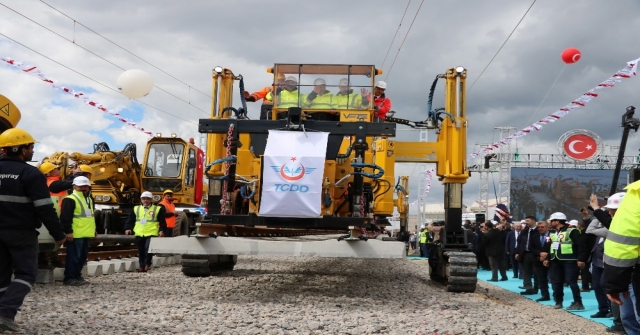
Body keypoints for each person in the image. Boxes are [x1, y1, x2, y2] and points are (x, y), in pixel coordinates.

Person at [0, 128, 66, 332]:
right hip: (21, 232)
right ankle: (5, 313)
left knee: (1, 276)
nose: (32, 151)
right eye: (31, 147)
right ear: (21, 149)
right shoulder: (30, 173)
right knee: (27, 273)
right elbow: (45, 208)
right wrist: (59, 234)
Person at [603, 187, 640, 335]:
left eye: (614, 209)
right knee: (629, 317)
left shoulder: (636, 194)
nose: (611, 212)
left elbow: (621, 247)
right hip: (629, 275)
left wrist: (615, 284)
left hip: (630, 274)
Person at [544, 212, 587, 310]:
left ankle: (578, 302)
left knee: (571, 281)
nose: (550, 222)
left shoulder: (572, 231)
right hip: (555, 259)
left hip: (570, 260)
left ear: (557, 221)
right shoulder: (552, 232)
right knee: (557, 281)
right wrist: (547, 258)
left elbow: (581, 245)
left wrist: (581, 259)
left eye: (552, 221)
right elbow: (549, 245)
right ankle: (558, 301)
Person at [60, 176, 96, 286]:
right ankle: (69, 278)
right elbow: (65, 218)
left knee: (82, 257)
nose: (83, 188)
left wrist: (94, 229)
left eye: (85, 186)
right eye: (81, 186)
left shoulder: (89, 199)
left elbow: (90, 216)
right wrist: (68, 232)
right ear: (74, 187)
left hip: (85, 233)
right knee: (73, 257)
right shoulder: (70, 199)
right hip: (75, 234)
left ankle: (77, 275)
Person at [124, 191, 166, 272]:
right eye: (144, 199)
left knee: (148, 248)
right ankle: (141, 266)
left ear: (151, 200)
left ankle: (147, 264)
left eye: (147, 199)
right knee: (141, 250)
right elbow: (130, 219)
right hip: (139, 232)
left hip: (151, 232)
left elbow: (162, 221)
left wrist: (161, 230)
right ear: (141, 200)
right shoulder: (136, 208)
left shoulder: (157, 209)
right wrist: (128, 228)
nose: (145, 200)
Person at [516, 216, 541, 295]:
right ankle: (528, 288)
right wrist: (517, 252)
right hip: (525, 254)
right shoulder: (524, 231)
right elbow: (519, 242)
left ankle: (536, 287)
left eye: (528, 221)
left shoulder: (539, 230)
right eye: (525, 221)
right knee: (526, 272)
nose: (526, 222)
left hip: (535, 254)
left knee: (536, 272)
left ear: (533, 221)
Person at [535, 221, 552, 302]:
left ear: (547, 227)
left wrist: (547, 256)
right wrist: (540, 254)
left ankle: (558, 296)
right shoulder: (535, 236)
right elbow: (531, 247)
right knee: (541, 279)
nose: (540, 229)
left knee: (555, 279)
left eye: (542, 227)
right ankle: (545, 295)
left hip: (551, 260)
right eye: (539, 227)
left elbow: (555, 246)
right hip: (539, 260)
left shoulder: (553, 235)